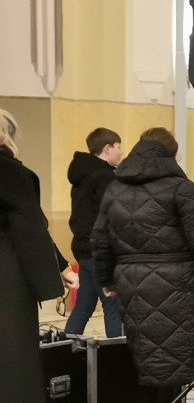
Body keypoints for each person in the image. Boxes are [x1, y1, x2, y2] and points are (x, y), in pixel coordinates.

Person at [91, 128, 194, 403]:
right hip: (177, 279)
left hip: (131, 280)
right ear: (172, 154)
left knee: (148, 352)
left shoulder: (115, 188)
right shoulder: (181, 188)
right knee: (174, 351)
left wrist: (107, 280)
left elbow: (99, 239)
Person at [0, 108, 67, 403]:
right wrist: (51, 279)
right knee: (8, 365)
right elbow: (29, 230)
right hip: (5, 275)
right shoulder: (10, 172)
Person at [65, 127, 123, 338]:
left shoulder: (82, 175)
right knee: (113, 304)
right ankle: (117, 360)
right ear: (107, 149)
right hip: (100, 250)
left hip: (82, 248)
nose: (121, 153)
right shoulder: (105, 177)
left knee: (84, 305)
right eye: (118, 148)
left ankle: (67, 354)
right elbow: (111, 217)